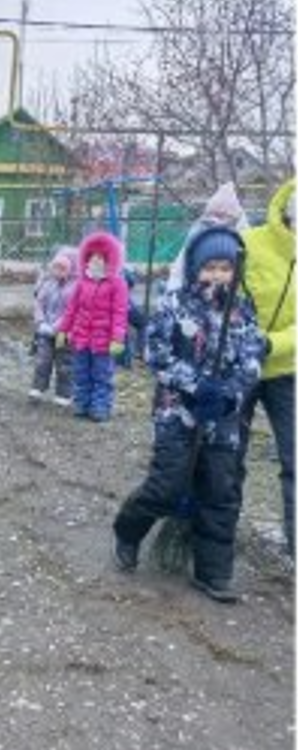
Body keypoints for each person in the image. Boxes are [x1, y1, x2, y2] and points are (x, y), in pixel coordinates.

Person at [112, 226, 266, 602]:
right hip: (177, 410)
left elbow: (252, 359)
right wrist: (196, 385)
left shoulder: (244, 311)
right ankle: (128, 531)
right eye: (209, 267)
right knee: (168, 484)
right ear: (196, 267)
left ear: (236, 272)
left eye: (225, 268)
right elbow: (156, 352)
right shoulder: (175, 303)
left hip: (223, 417)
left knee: (221, 489)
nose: (217, 275)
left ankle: (214, 572)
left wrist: (228, 394)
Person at [239, 178, 296, 559]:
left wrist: (272, 343)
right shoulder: (251, 241)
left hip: (286, 370)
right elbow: (228, 290)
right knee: (227, 453)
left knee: (292, 458)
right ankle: (217, 533)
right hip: (239, 366)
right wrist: (243, 339)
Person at [57, 232, 129, 421]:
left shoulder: (117, 284)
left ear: (109, 259)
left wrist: (117, 338)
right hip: (81, 338)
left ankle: (100, 406)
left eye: (100, 258)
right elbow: (72, 309)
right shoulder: (82, 282)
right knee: (81, 372)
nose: (96, 261)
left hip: (103, 341)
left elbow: (120, 313)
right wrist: (63, 330)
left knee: (102, 375)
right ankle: (81, 403)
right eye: (92, 257)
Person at [30, 247, 77, 405]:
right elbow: (39, 303)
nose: (58, 271)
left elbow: (72, 310)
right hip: (45, 330)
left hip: (64, 334)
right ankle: (38, 388)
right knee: (42, 360)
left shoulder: (76, 287)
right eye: (56, 267)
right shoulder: (48, 283)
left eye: (62, 268)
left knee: (64, 363)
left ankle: (63, 394)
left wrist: (57, 327)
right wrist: (41, 322)